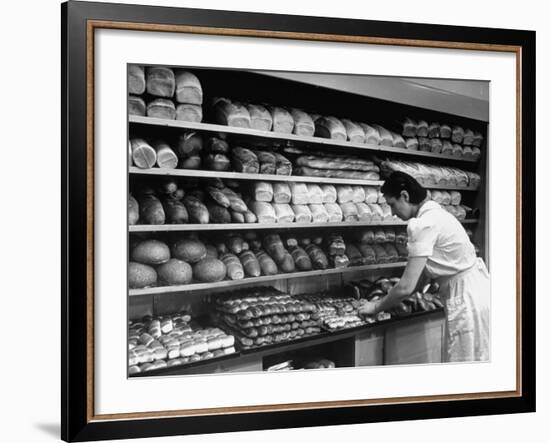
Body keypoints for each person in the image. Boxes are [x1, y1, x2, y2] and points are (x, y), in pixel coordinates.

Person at [359, 171, 490, 362]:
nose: (393, 213)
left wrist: (376, 306)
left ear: (405, 196)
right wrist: (401, 296)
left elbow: (406, 286)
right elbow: (422, 276)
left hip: (466, 298)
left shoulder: (423, 224)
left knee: (466, 369)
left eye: (392, 205)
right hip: (477, 291)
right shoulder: (436, 214)